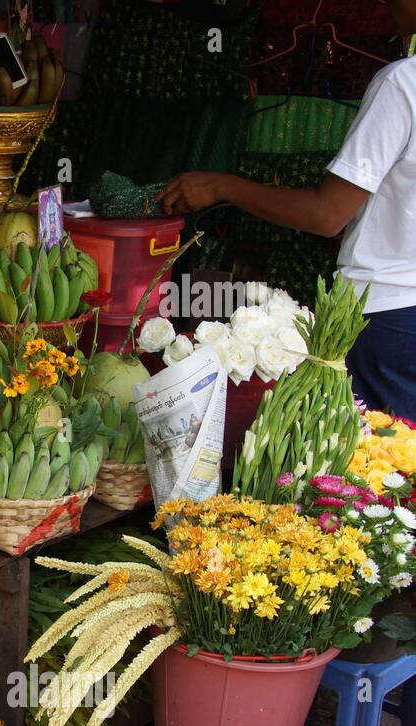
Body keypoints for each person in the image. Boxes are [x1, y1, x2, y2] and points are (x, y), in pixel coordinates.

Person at [154, 1, 416, 418]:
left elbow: (328, 215)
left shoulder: (403, 82)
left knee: (374, 468)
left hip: (387, 318)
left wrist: (224, 186)